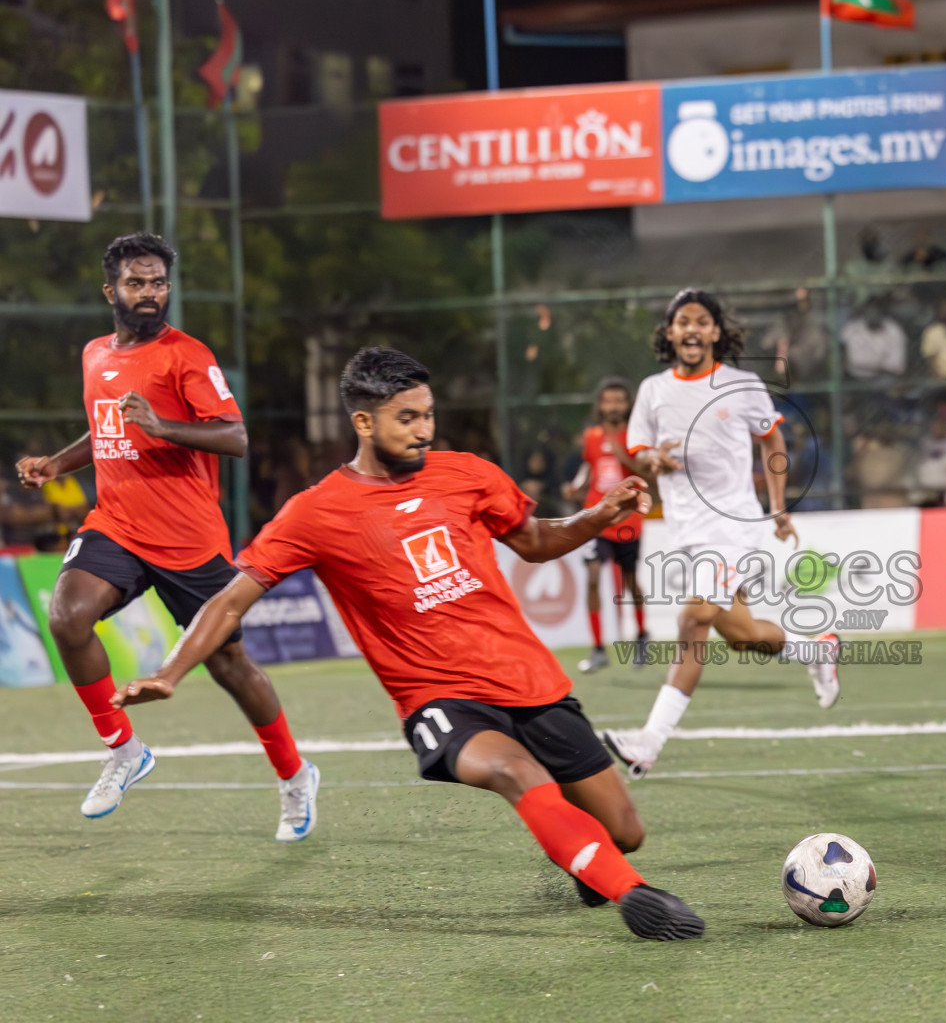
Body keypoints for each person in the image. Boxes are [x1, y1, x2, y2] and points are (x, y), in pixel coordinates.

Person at [114, 348, 704, 940]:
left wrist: (599, 514)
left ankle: (585, 856)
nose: (424, 430)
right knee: (514, 772)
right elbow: (231, 598)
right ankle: (633, 895)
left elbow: (534, 540)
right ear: (363, 422)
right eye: (407, 418)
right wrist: (171, 671)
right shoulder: (316, 512)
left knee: (625, 832)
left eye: (428, 415)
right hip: (439, 700)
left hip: (529, 680)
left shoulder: (467, 473)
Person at [15, 233, 317, 838]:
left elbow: (235, 437)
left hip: (188, 541)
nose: (150, 294)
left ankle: (294, 775)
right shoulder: (95, 354)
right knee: (67, 618)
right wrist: (56, 463)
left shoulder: (188, 356)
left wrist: (162, 425)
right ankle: (125, 751)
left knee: (230, 665)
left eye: (158, 283)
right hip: (117, 526)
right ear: (111, 291)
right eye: (137, 283)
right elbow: (105, 432)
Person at [602, 289, 840, 779]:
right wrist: (652, 460)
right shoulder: (652, 390)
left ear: (715, 332)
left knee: (693, 620)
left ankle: (649, 741)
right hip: (687, 531)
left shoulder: (743, 383)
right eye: (682, 321)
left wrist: (777, 507)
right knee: (743, 635)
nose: (691, 328)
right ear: (669, 333)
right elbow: (638, 452)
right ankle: (815, 648)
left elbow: (771, 436)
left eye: (701, 321)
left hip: (733, 525)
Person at [562, 377, 649, 674]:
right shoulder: (592, 436)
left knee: (629, 580)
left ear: (627, 404)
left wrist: (621, 451)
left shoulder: (635, 434)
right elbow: (590, 466)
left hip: (627, 517)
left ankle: (641, 635)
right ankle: (598, 647)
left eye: (619, 400)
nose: (613, 405)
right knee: (594, 577)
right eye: (607, 400)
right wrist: (576, 487)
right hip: (596, 517)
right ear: (600, 404)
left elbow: (643, 470)